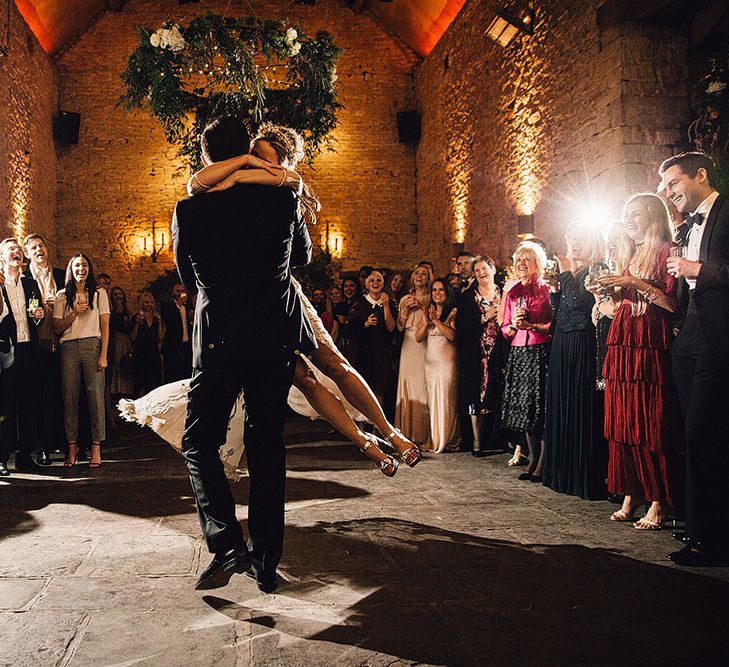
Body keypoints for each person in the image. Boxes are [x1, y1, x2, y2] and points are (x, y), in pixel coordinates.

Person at [187, 121, 420, 470]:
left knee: (334, 364)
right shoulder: (262, 183)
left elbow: (299, 237)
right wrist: (241, 172)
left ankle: (389, 431)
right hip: (261, 316)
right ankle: (363, 442)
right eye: (255, 158)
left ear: (283, 164)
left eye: (267, 161)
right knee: (304, 378)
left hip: (285, 299)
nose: (258, 164)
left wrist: (249, 177)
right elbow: (195, 184)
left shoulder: (288, 187)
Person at [172, 115, 317, 593]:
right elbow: (302, 257)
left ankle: (226, 543)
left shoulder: (188, 210)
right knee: (267, 446)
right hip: (274, 336)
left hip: (217, 340)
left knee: (198, 442)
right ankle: (266, 558)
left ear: (206, 157)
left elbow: (189, 280)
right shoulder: (282, 198)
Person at [597, 193, 682, 531]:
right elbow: (623, 304)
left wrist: (632, 281)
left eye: (636, 214)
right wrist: (607, 290)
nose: (629, 220)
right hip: (624, 339)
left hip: (650, 342)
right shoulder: (632, 254)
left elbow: (672, 305)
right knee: (623, 418)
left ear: (652, 215)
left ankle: (658, 499)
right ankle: (630, 492)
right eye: (626, 214)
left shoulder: (666, 252)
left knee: (650, 419)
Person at [661, 152, 729, 565]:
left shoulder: (726, 212)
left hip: (719, 341)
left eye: (673, 184)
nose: (669, 194)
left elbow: (709, 272)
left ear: (700, 175)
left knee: (704, 435)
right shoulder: (687, 227)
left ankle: (712, 540)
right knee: (693, 437)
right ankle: (698, 531)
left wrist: (697, 269)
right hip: (689, 340)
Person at [543, 222, 608, 499]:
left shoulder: (596, 269)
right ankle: (562, 473)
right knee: (561, 400)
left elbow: (581, 303)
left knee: (579, 404)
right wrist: (555, 289)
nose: (576, 244)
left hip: (583, 342)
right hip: (561, 342)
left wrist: (566, 272)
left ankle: (582, 476)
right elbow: (561, 309)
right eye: (571, 239)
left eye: (581, 239)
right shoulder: (571, 272)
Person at [501, 241, 553, 482]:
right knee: (525, 408)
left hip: (540, 350)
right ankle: (532, 458)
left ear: (537, 265)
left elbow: (555, 324)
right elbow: (504, 328)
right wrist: (513, 326)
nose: (521, 264)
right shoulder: (512, 292)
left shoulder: (546, 289)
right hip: (519, 353)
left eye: (527, 260)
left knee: (539, 406)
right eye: (518, 260)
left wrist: (532, 325)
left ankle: (543, 462)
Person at [53, 253, 110, 468]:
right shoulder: (61, 295)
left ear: (89, 268)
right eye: (77, 265)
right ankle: (72, 447)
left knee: (95, 397)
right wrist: (74, 313)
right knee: (69, 397)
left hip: (92, 346)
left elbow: (105, 326)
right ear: (71, 269)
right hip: (69, 347)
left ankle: (96, 446)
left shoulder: (99, 293)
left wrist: (103, 354)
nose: (81, 269)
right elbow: (57, 328)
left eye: (85, 265)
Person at [0, 238, 45, 474]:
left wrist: (39, 315)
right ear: (2, 258)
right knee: (5, 408)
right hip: (7, 351)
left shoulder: (30, 284)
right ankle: (1, 458)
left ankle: (24, 455)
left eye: (18, 249)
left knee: (28, 406)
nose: (17, 252)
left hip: (29, 350)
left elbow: (38, 316)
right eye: (11, 250)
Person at [22, 232, 66, 465]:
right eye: (34, 248)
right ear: (27, 255)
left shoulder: (60, 275)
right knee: (37, 398)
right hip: (35, 344)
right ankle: (41, 448)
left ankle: (59, 441)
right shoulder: (24, 279)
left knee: (59, 396)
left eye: (42, 246)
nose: (39, 250)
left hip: (60, 343)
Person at [455, 255, 502, 457]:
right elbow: (461, 326)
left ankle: (499, 438)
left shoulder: (505, 292)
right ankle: (477, 441)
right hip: (477, 351)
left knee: (498, 390)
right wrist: (485, 316)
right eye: (477, 271)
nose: (481, 273)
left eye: (484, 269)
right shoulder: (467, 297)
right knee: (477, 393)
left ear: (493, 269)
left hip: (501, 348)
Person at [416, 278, 460, 452]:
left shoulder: (453, 311)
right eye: (434, 290)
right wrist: (427, 320)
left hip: (446, 364)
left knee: (446, 399)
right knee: (433, 401)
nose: (437, 293)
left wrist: (436, 321)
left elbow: (452, 336)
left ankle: (447, 439)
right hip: (430, 365)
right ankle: (434, 438)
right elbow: (418, 338)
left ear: (446, 292)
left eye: (441, 290)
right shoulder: (428, 311)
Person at [395, 264, 432, 445]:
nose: (419, 276)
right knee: (408, 385)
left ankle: (423, 433)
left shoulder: (431, 297)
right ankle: (406, 433)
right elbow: (400, 326)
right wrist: (405, 312)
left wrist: (421, 306)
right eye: (417, 273)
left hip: (425, 343)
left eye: (424, 274)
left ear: (428, 278)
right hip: (408, 345)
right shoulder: (404, 299)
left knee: (422, 386)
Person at [351, 270, 396, 412]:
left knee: (379, 389)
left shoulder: (389, 303)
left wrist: (386, 305)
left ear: (383, 283)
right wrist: (366, 324)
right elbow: (350, 330)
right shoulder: (359, 303)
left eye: (379, 280)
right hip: (364, 352)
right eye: (372, 280)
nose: (375, 283)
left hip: (381, 351)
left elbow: (391, 328)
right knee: (364, 389)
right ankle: (362, 422)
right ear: (366, 284)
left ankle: (378, 425)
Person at [130, 292, 164, 396]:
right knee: (139, 383)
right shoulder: (137, 317)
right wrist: (137, 323)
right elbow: (133, 338)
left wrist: (159, 321)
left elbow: (160, 337)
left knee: (154, 383)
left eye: (152, 302)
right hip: (140, 354)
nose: (149, 305)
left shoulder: (156, 318)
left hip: (153, 354)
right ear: (142, 303)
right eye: (147, 302)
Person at [161, 283, 192, 383]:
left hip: (186, 346)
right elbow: (169, 321)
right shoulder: (167, 306)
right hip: (173, 347)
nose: (180, 293)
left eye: (182, 291)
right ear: (173, 292)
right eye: (177, 291)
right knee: (173, 376)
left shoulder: (188, 307)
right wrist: (178, 304)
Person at [107, 287, 134, 400]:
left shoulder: (128, 312)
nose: (118, 297)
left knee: (125, 366)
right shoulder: (110, 312)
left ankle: (126, 392)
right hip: (114, 342)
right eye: (115, 295)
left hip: (125, 343)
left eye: (120, 294)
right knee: (115, 368)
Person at [333, 277, 359, 360]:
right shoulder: (339, 307)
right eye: (346, 286)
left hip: (360, 344)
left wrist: (347, 319)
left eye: (352, 286)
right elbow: (335, 331)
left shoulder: (362, 304)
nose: (348, 289)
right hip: (344, 345)